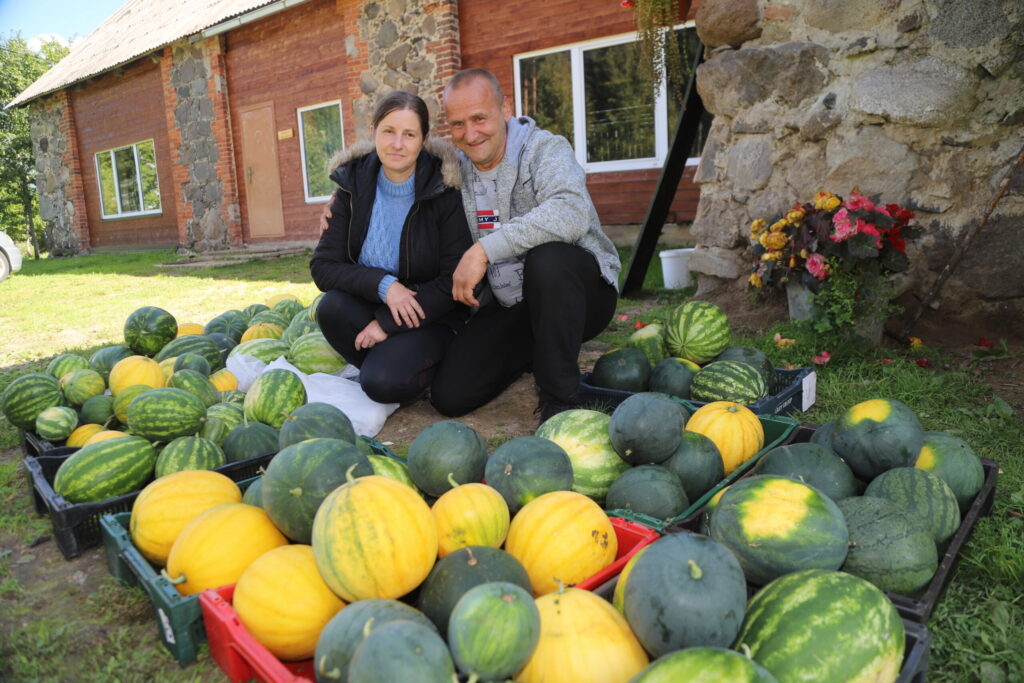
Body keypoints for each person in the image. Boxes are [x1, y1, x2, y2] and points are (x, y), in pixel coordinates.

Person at [430, 68, 621, 421]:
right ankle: (542, 353)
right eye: (457, 124)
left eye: (479, 118)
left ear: (505, 110)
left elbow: (571, 211)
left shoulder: (545, 149)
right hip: (513, 303)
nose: (470, 134)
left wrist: (484, 249)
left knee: (548, 259)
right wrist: (348, 195)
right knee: (451, 394)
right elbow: (398, 153)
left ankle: (560, 398)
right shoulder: (453, 165)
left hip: (580, 293)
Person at [310, 91, 471, 404]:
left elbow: (453, 277)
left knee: (381, 384)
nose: (398, 144)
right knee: (331, 307)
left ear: (423, 140)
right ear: (373, 133)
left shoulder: (444, 189)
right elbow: (323, 267)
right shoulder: (352, 184)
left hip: (431, 314)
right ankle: (397, 363)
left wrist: (386, 324)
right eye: (389, 131)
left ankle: (407, 364)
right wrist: (385, 287)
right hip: (376, 301)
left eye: (409, 134)